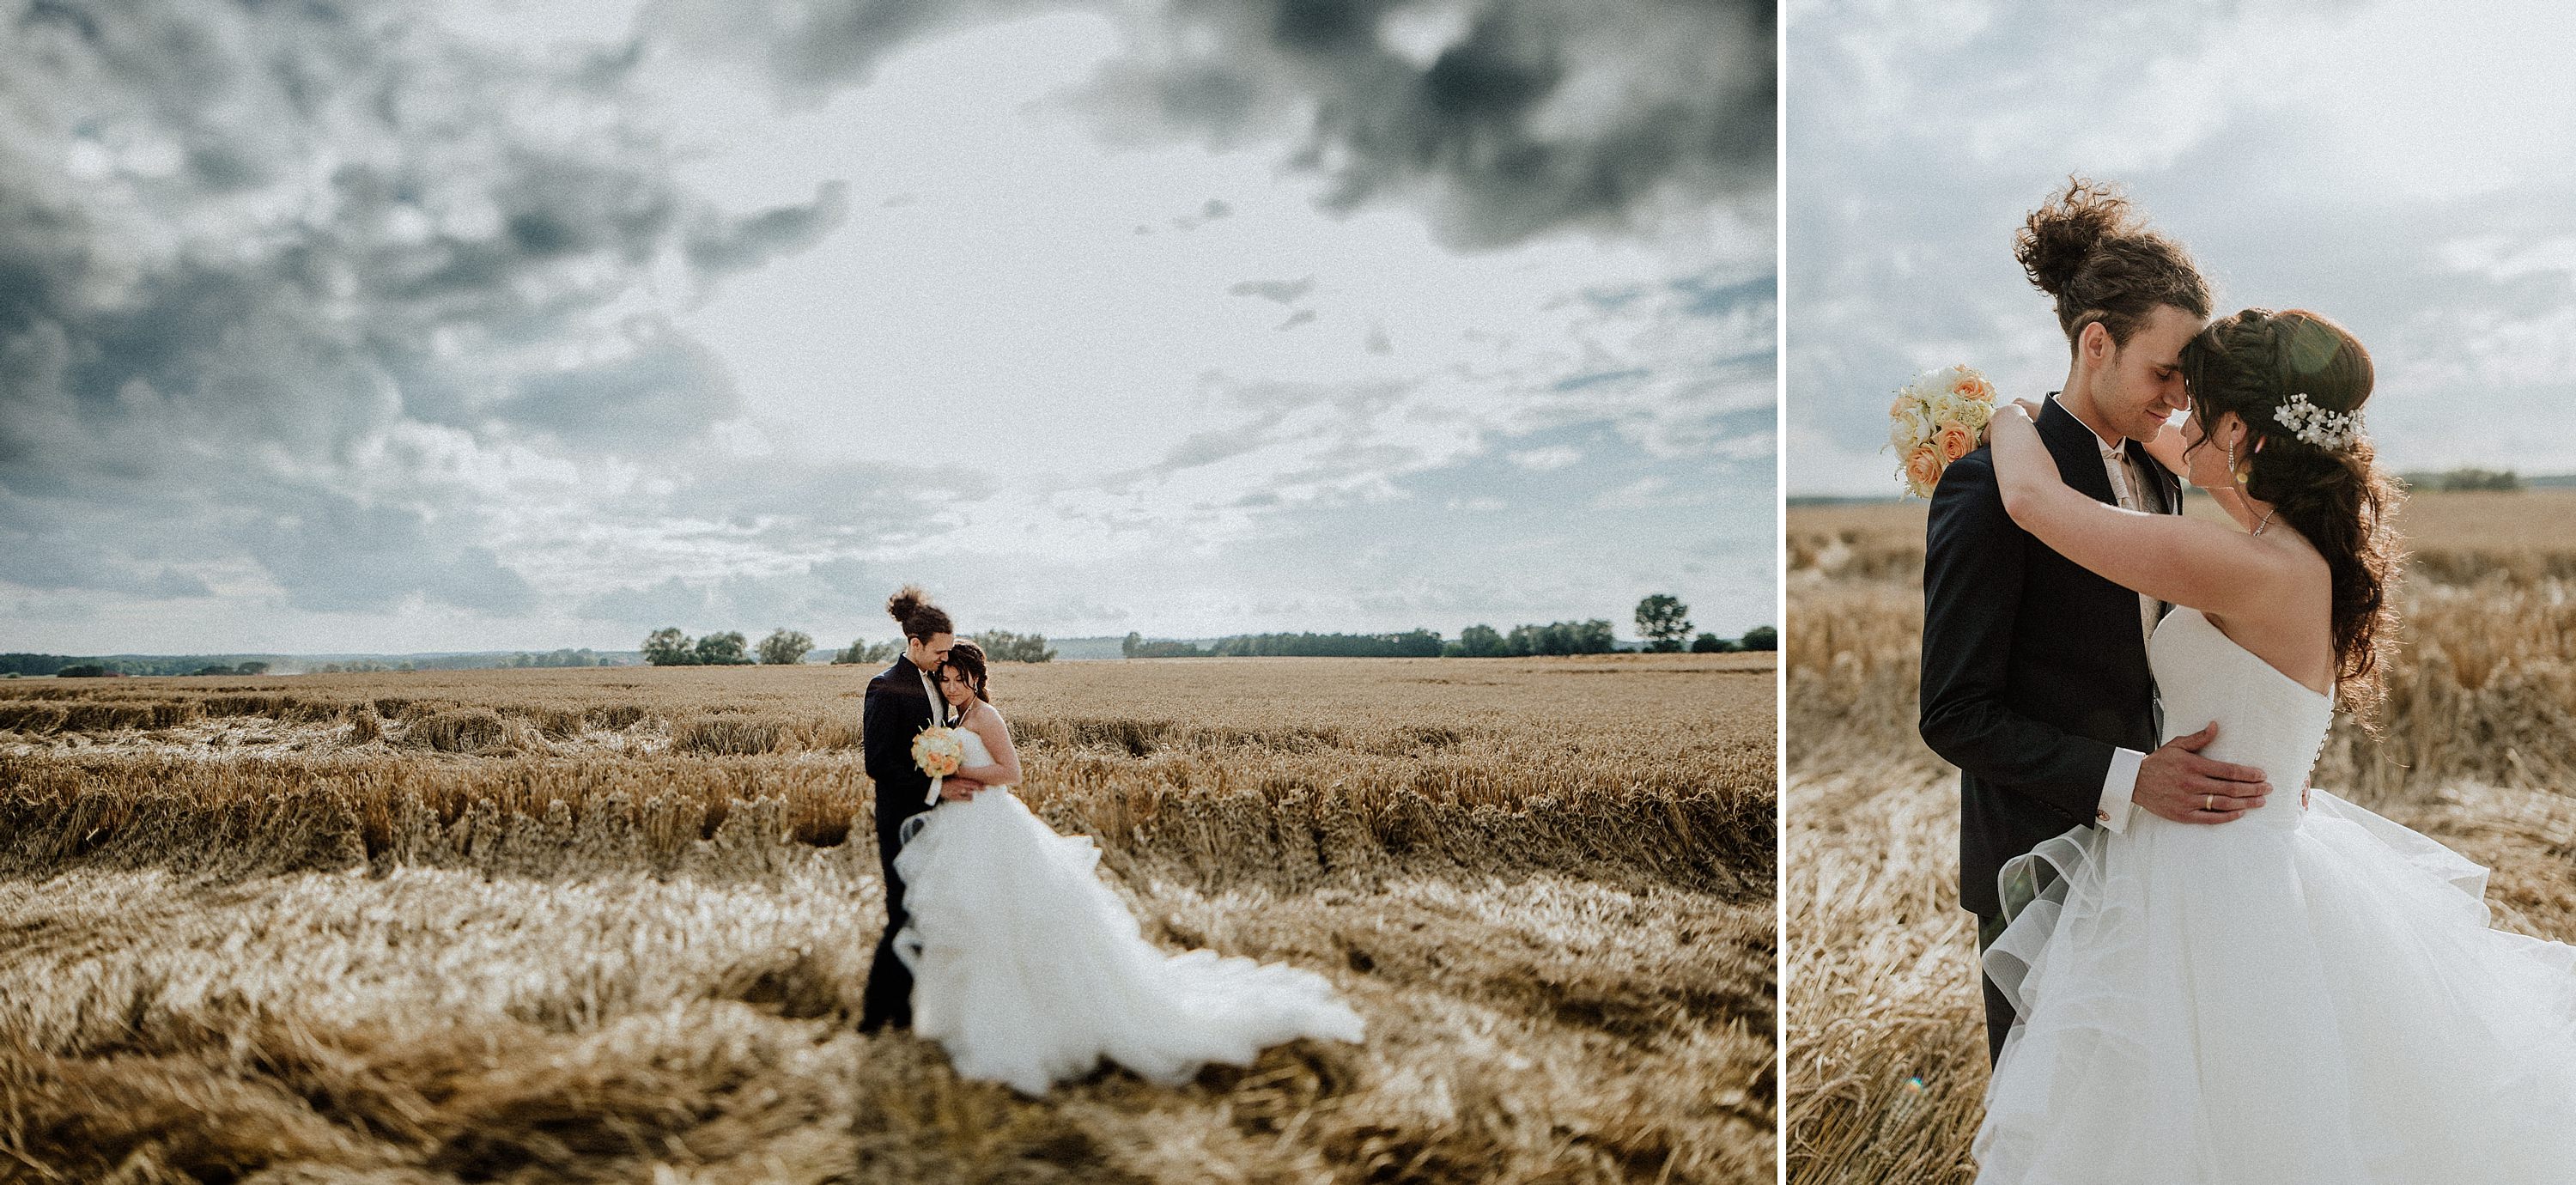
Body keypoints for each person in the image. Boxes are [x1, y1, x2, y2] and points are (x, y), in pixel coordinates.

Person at [1970, 307, 2576, 1182]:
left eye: (2196, 407)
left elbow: (2033, 502)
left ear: (2244, 431)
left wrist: (2003, 416)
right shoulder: (2294, 546)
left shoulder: (2242, 565)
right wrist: (2189, 429)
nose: (2176, 422)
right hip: (2251, 856)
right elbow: (2198, 459)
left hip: (2209, 888)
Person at [1918, 179, 2270, 1065]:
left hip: (2156, 858)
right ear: (2095, 343)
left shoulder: (2159, 475)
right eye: (2164, 376)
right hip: (2033, 867)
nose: (2178, 404)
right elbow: (1953, 712)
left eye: (2189, 384)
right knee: (2051, 1127)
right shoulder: (1991, 484)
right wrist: (2127, 780)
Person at [890, 641, 1365, 1095]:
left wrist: (957, 773)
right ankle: (975, 1019)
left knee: (1014, 919)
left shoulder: (986, 716)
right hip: (966, 828)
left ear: (978, 679)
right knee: (976, 922)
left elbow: (1011, 773)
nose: (951, 686)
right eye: (947, 678)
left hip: (992, 826)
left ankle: (1035, 1025)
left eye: (960, 679)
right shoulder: (958, 716)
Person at [855, 585, 958, 1033]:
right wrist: (937, 788)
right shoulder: (885, 687)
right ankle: (874, 1017)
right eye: (939, 652)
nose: (946, 660)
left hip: (934, 819)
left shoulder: (936, 681)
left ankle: (907, 1014)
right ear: (914, 645)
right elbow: (878, 764)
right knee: (901, 911)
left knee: (926, 911)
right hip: (901, 819)